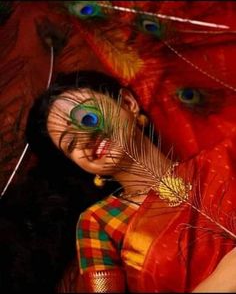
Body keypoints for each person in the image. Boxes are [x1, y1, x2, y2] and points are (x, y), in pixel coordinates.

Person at [26, 70, 236, 293]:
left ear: (128, 103)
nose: (86, 137)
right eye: (71, 144)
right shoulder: (99, 224)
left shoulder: (225, 158)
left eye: (87, 116)